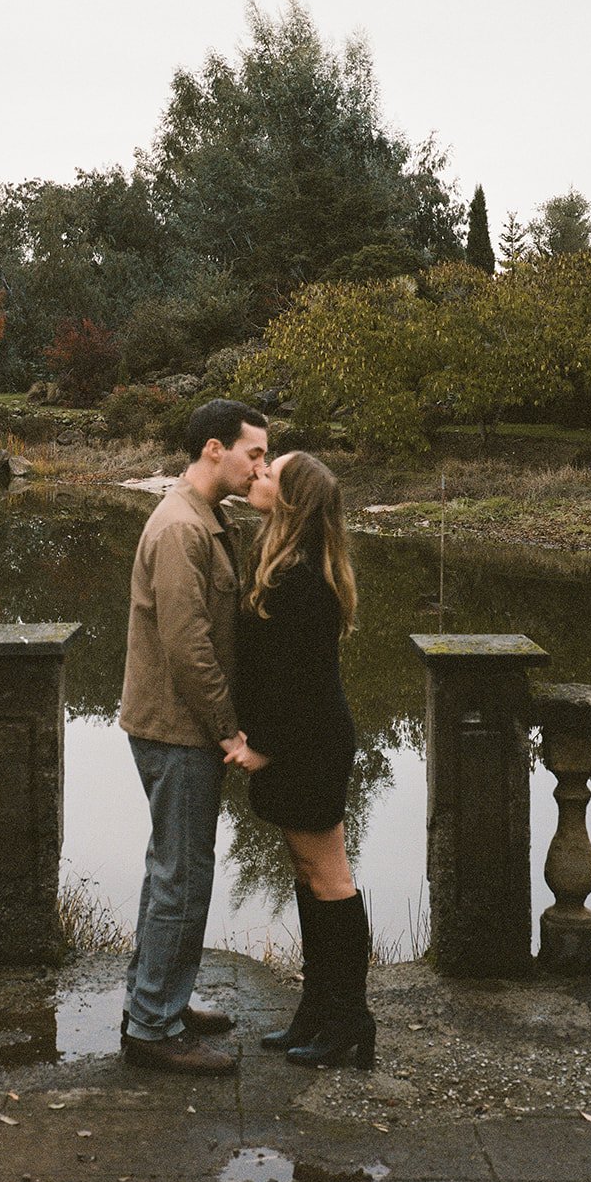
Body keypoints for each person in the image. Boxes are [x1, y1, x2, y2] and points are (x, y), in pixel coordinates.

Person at [119, 397, 269, 1075]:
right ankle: (153, 1028)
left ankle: (161, 1003)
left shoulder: (206, 517)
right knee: (182, 879)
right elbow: (189, 648)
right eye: (254, 453)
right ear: (215, 447)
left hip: (178, 730)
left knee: (173, 872)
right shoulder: (181, 527)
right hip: (178, 732)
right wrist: (229, 731)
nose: (259, 466)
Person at [225, 451, 375, 1069]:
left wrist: (263, 746)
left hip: (310, 744)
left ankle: (351, 1022)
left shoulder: (304, 579)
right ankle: (317, 1011)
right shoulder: (281, 560)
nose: (256, 475)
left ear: (291, 500)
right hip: (301, 740)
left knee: (330, 880)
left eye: (268, 474)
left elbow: (298, 683)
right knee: (308, 876)